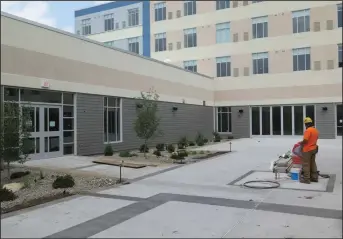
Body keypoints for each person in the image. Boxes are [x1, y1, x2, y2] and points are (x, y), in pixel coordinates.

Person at [299, 117, 319, 184]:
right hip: (314, 149)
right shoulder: (315, 130)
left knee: (306, 164)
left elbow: (305, 140)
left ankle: (306, 179)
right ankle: (314, 178)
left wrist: (301, 143)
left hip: (307, 150)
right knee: (313, 163)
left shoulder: (308, 131)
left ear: (306, 124)